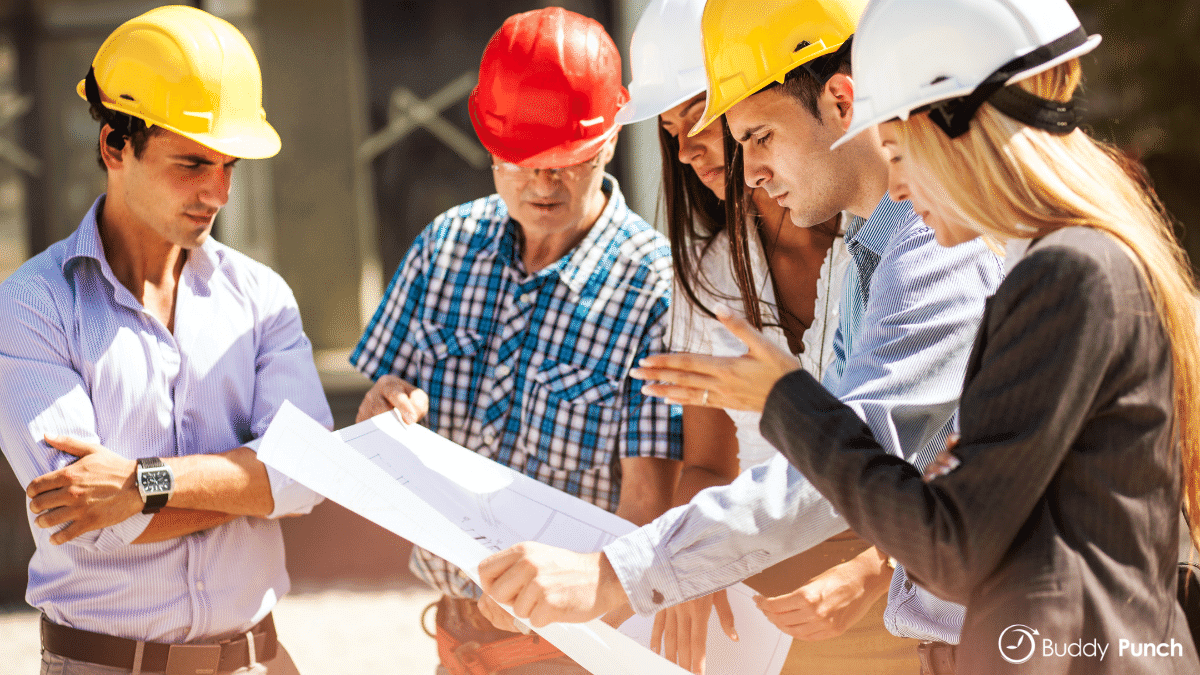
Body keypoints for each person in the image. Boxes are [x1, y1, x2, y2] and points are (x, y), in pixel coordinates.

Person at [476, 0, 1004, 672]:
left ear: (841, 101)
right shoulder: (868, 247)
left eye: (755, 136)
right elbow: (843, 468)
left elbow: (849, 465)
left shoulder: (936, 245)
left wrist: (613, 574)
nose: (745, 170)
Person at [744, 0, 1200, 672]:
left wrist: (788, 402)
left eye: (898, 151)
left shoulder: (1068, 277)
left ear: (956, 130)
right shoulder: (1071, 269)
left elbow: (951, 547)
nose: (896, 185)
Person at [348, 8, 681, 675]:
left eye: (566, 164)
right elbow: (375, 417)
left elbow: (649, 503)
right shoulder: (444, 247)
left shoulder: (653, 287)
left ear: (610, 138)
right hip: (453, 637)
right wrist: (381, 410)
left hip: (571, 651)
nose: (541, 184)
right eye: (520, 162)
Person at [0, 7, 329, 674]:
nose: (220, 191)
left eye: (229, 164)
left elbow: (310, 476)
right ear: (114, 147)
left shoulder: (261, 298)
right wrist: (252, 483)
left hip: (259, 662)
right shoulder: (31, 307)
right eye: (192, 163)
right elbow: (93, 512)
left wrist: (144, 479)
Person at [618, 1, 915, 673]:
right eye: (670, 132)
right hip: (781, 609)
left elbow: (920, 450)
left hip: (913, 595)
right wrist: (688, 560)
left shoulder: (899, 234)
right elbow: (719, 465)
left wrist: (872, 567)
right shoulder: (716, 269)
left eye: (703, 116)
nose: (688, 148)